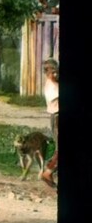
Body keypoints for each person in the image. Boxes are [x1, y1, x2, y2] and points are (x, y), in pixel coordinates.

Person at [40, 57, 59, 187]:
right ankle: (48, 171)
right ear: (47, 72)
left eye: (56, 71)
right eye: (52, 72)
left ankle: (49, 170)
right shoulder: (51, 86)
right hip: (57, 117)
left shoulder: (55, 83)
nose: (55, 74)